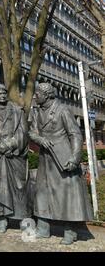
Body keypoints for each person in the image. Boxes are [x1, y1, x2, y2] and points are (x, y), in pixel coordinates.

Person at [29, 83, 93, 245]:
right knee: (42, 192)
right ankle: (43, 228)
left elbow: (75, 134)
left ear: (47, 95)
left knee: (66, 195)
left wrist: (74, 158)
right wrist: (39, 139)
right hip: (45, 158)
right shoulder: (36, 111)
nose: (35, 96)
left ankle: (70, 232)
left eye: (38, 94)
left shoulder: (62, 110)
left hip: (62, 157)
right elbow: (32, 132)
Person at [0, 84, 31, 233]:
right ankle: (2, 219)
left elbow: (23, 131)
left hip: (14, 154)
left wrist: (10, 145)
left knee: (19, 187)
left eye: (4, 92)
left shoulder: (17, 110)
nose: (3, 95)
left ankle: (23, 218)